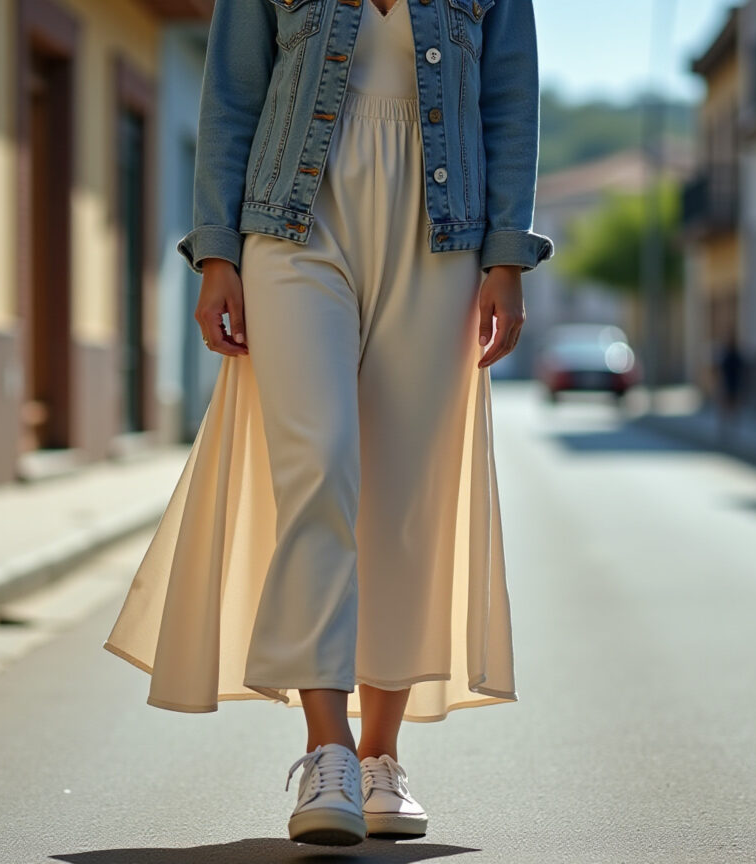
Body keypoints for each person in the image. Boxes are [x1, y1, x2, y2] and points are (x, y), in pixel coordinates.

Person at [101, 0, 551, 848]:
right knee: (320, 467)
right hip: (293, 224)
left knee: (404, 500)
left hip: (442, 237)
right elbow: (232, 96)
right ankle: (328, 749)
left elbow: (508, 101)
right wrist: (217, 252)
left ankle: (381, 757)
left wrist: (507, 256)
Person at [714, 334, 746, 444]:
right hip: (730, 384)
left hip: (731, 385)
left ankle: (729, 429)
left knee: (730, 408)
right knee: (728, 408)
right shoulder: (729, 356)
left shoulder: (732, 356)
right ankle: (727, 429)